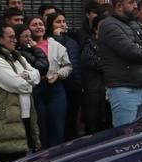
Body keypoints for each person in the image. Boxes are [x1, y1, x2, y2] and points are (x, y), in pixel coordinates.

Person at [0, 22, 40, 162]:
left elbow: (37, 74)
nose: (15, 40)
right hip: (5, 120)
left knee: (24, 161)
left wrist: (25, 75)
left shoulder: (18, 56)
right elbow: (16, 84)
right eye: (11, 37)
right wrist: (29, 81)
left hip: (24, 115)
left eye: (15, 37)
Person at [96, 0, 142, 126]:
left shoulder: (132, 23)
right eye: (132, 2)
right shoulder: (109, 25)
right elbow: (131, 51)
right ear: (119, 6)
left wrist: (139, 45)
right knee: (125, 136)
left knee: (140, 135)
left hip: (141, 88)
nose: (135, 6)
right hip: (124, 90)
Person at [25, 13, 72, 148]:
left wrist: (58, 75)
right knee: (40, 127)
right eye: (34, 25)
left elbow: (68, 66)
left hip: (55, 88)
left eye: (41, 24)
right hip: (36, 89)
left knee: (57, 127)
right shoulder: (25, 46)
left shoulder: (56, 45)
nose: (38, 27)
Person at [48, 11, 83, 141]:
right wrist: (58, 38)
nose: (62, 24)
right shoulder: (50, 40)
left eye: (63, 21)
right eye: (58, 22)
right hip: (59, 86)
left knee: (72, 122)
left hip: (74, 86)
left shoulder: (72, 40)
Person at [79, 10, 111, 136]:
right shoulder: (89, 47)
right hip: (94, 98)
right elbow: (102, 65)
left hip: (109, 98)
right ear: (95, 30)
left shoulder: (112, 45)